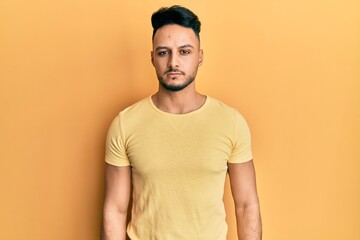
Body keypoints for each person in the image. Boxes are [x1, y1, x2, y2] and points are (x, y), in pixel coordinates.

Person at [102, 5, 262, 240]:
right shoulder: (125, 123)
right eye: (163, 52)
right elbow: (114, 210)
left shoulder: (231, 122)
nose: (173, 62)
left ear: (200, 56)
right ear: (152, 58)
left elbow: (247, 205)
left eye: (184, 52)